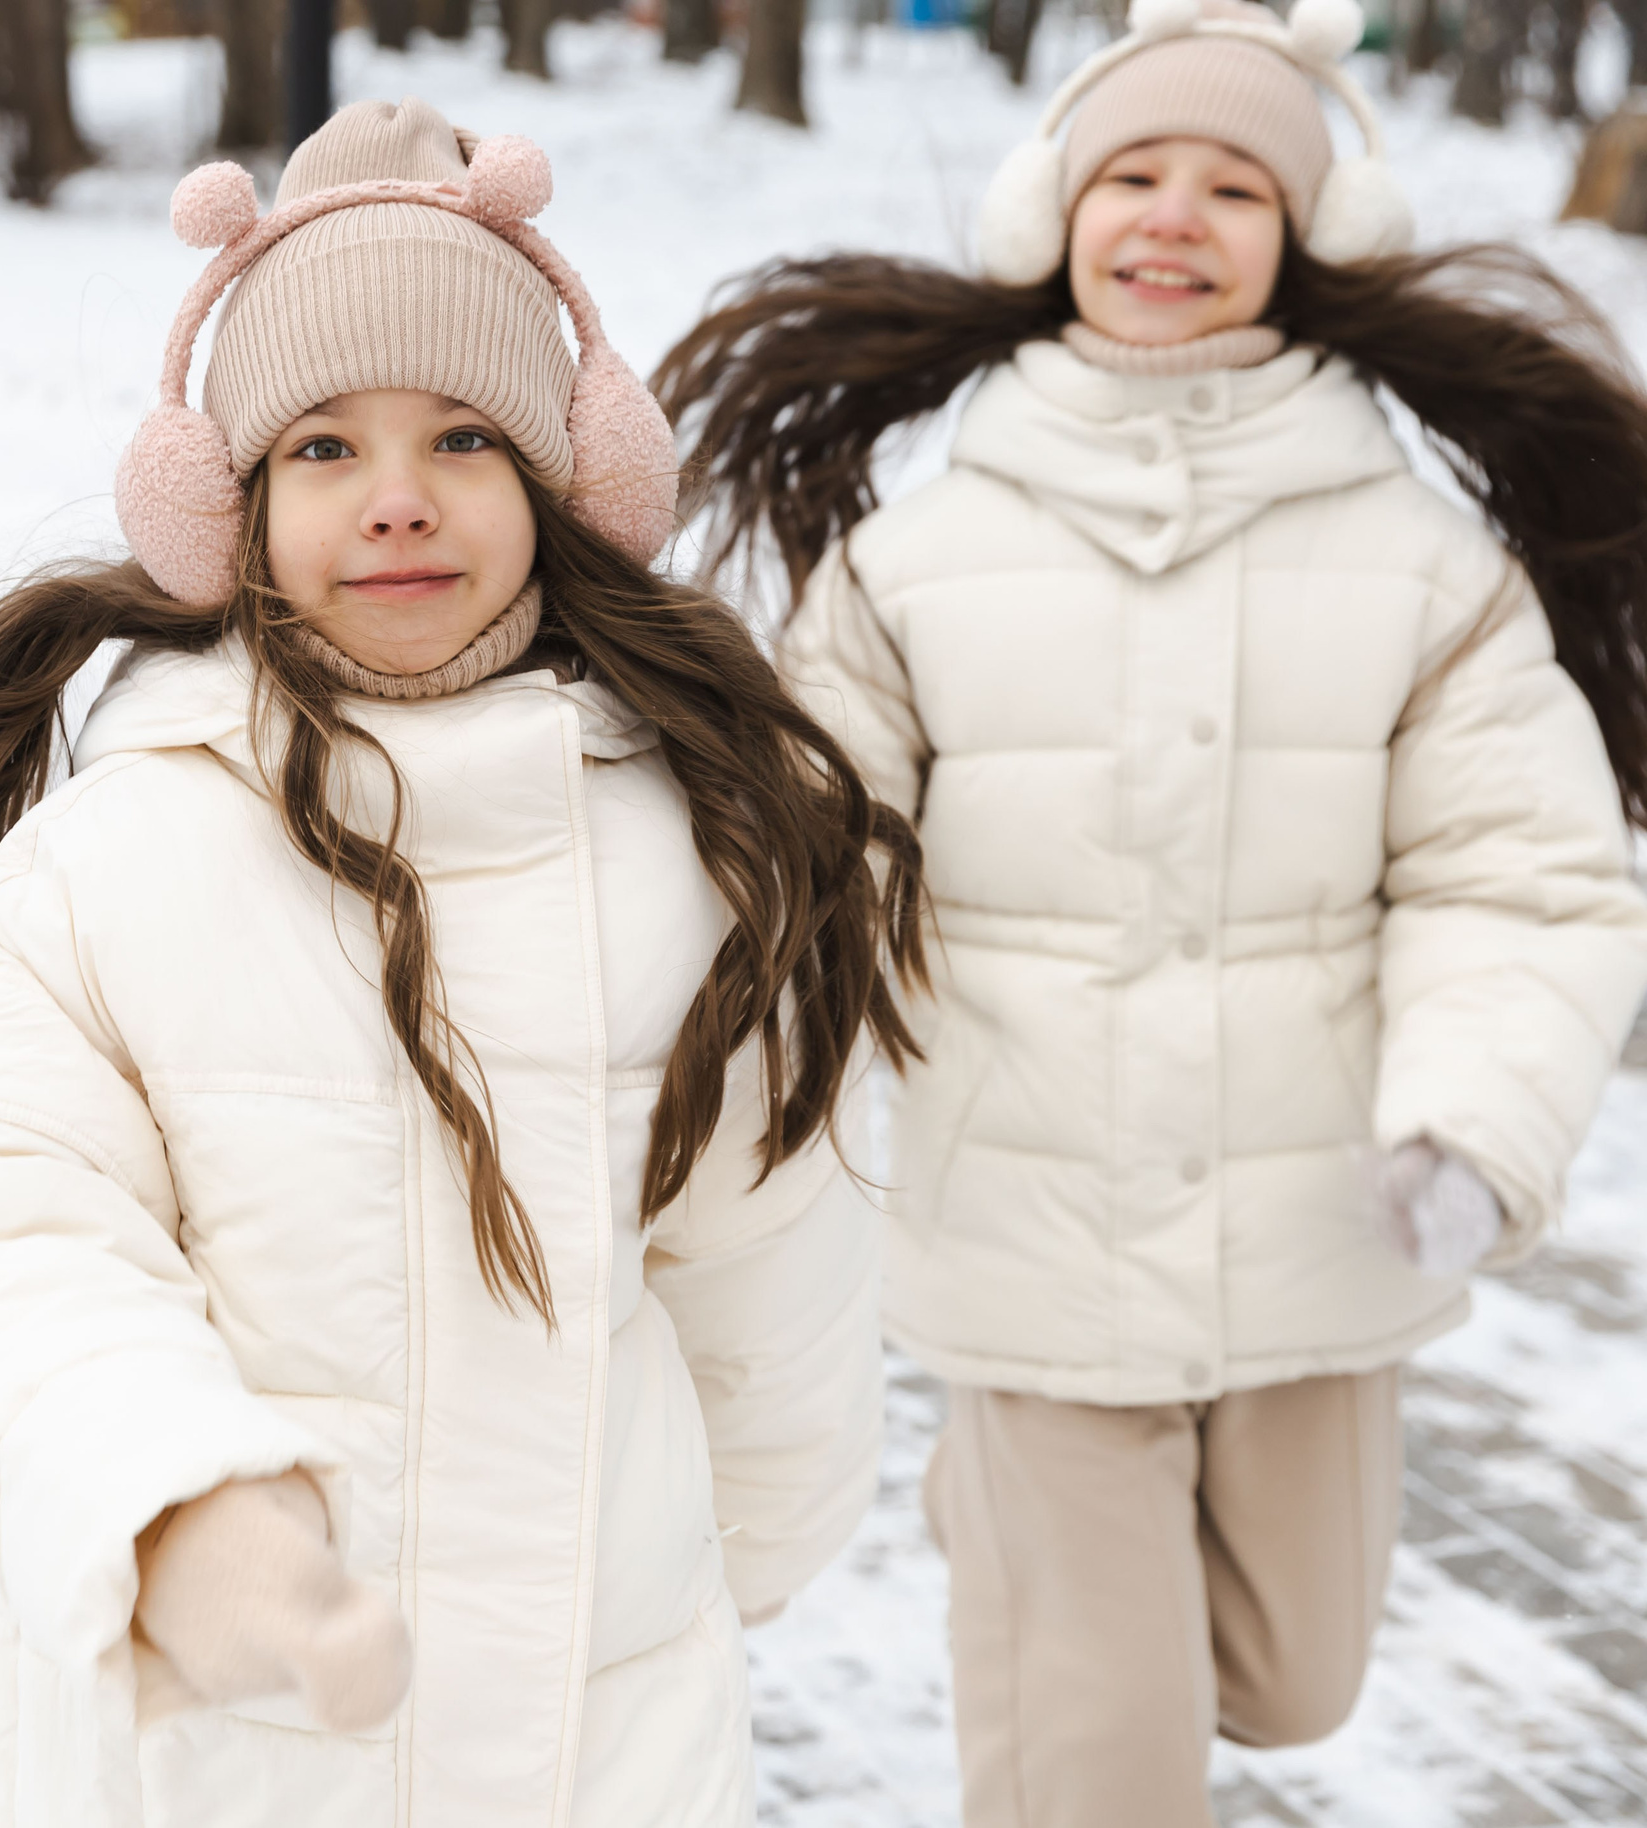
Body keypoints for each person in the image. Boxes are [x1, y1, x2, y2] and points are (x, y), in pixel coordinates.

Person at [0, 99, 926, 1825]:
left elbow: (772, 1271)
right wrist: (177, 1510)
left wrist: (733, 1549)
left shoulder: (698, 857)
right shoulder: (110, 863)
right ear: (224, 503)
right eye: (323, 448)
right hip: (211, 1741)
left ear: (566, 484)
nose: (397, 500)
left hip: (601, 1733)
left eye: (465, 437)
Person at [653, 2, 1647, 1822]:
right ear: (1052, 218)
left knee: (1294, 1672)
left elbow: (1520, 868)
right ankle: (1035, 1551)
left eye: (1232, 185)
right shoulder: (923, 560)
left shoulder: (1426, 567)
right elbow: (817, 842)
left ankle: (1030, 1550)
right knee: (1102, 1756)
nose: (1173, 215)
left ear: (1315, 239)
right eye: (1132, 173)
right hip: (1034, 1234)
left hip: (1322, 1233)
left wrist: (1478, 1112)